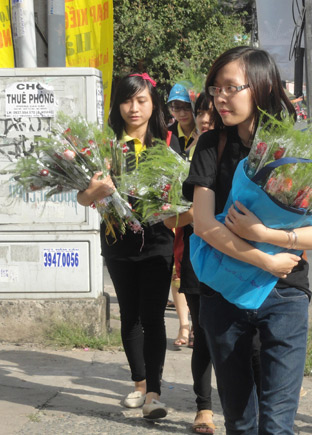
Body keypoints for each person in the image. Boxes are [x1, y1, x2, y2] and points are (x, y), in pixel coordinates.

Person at [183, 46, 312, 434]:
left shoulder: (294, 150)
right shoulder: (210, 146)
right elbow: (202, 224)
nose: (220, 97)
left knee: (277, 422)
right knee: (240, 421)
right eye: (215, 88)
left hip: (284, 294)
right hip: (223, 294)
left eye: (231, 87)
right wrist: (264, 257)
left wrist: (266, 234)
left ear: (261, 88)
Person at [77, 72, 181, 420]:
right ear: (117, 104)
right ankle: (138, 384)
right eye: (126, 100)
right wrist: (98, 190)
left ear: (154, 104)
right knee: (129, 315)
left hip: (157, 242)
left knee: (153, 317)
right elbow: (82, 197)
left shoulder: (167, 145)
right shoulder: (105, 147)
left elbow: (183, 194)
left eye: (141, 101)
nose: (133, 108)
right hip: (117, 242)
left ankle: (153, 392)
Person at [164, 92, 217, 433]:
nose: (205, 119)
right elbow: (171, 219)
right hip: (198, 256)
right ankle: (205, 408)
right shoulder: (181, 157)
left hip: (241, 259)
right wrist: (199, 215)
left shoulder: (244, 154)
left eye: (210, 115)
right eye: (202, 113)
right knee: (205, 335)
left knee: (241, 337)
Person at [166, 81, 194, 347]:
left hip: (201, 206)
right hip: (175, 207)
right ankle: (184, 326)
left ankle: (198, 324)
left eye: (186, 107)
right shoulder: (167, 136)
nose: (181, 112)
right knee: (178, 269)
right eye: (176, 107)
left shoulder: (204, 133)